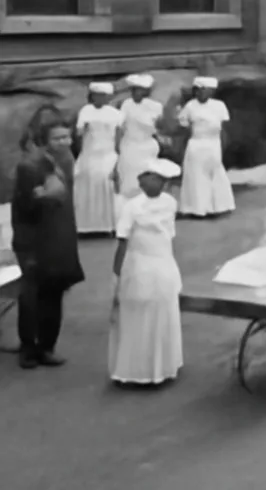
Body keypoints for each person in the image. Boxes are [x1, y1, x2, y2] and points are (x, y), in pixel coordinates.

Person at [12, 119, 85, 369]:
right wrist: (44, 196)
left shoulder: (66, 161)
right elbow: (25, 208)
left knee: (54, 291)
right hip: (34, 240)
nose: (64, 142)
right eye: (57, 138)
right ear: (44, 141)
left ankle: (47, 346)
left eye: (67, 137)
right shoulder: (30, 166)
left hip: (59, 236)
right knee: (32, 294)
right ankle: (28, 348)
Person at [109, 157, 184, 387]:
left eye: (154, 178)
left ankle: (142, 369)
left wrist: (117, 274)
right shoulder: (166, 203)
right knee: (148, 311)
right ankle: (155, 366)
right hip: (151, 263)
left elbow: (123, 241)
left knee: (147, 312)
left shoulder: (132, 206)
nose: (145, 181)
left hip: (149, 264)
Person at [177, 76, 235, 218]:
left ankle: (217, 207)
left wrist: (224, 147)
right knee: (195, 175)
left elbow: (224, 129)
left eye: (203, 90)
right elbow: (184, 128)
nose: (200, 93)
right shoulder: (190, 106)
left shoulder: (219, 106)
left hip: (214, 143)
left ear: (211, 92)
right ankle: (196, 209)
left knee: (215, 173)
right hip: (196, 143)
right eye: (197, 90)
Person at [73, 82, 120, 235]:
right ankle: (85, 226)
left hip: (108, 154)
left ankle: (108, 226)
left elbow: (118, 136)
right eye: (96, 95)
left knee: (107, 185)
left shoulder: (115, 113)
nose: (99, 99)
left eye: (103, 96)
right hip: (89, 155)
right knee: (86, 186)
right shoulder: (86, 111)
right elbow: (79, 134)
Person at [116, 75, 164, 201]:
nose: (136, 93)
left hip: (148, 146)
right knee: (128, 176)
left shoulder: (156, 106)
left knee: (147, 175)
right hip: (130, 145)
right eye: (133, 90)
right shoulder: (126, 104)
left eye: (139, 90)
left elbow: (160, 126)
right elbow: (119, 125)